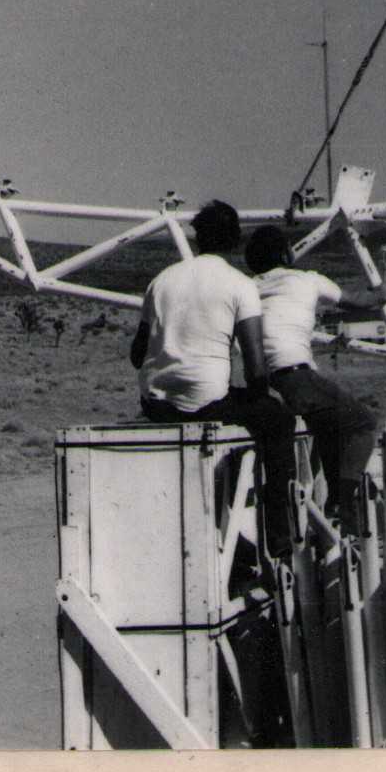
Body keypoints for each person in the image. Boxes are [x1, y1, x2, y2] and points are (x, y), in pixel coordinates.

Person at [130, 198, 300, 538]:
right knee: (279, 418)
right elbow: (255, 367)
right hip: (208, 403)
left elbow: (137, 355)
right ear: (236, 241)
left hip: (156, 403)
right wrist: (259, 397)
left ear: (197, 238)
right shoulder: (241, 285)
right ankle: (279, 529)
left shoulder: (160, 281)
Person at [242, 223, 382, 523]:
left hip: (266, 382)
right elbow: (365, 301)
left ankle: (334, 499)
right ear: (285, 253)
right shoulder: (308, 280)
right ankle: (343, 503)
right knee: (363, 424)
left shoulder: (248, 286)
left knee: (329, 427)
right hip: (296, 377)